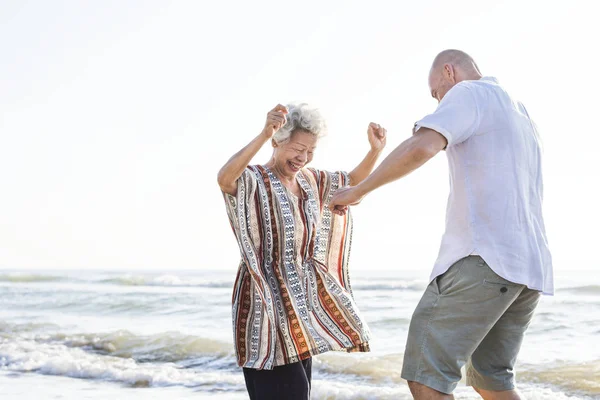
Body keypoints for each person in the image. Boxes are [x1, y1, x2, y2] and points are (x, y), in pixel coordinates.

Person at [329, 50, 553, 400]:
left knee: (425, 377)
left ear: (449, 72)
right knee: (492, 380)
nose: (438, 101)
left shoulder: (468, 93)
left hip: (485, 260)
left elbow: (421, 148)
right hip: (529, 269)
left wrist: (359, 190)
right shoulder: (520, 113)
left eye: (436, 93)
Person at [217, 103, 386, 400]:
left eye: (310, 151)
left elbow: (352, 182)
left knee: (299, 391)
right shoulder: (254, 179)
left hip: (299, 308)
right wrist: (262, 133)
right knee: (288, 391)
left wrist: (374, 150)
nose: (303, 158)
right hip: (264, 303)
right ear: (277, 141)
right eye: (297, 149)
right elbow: (225, 179)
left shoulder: (311, 181)